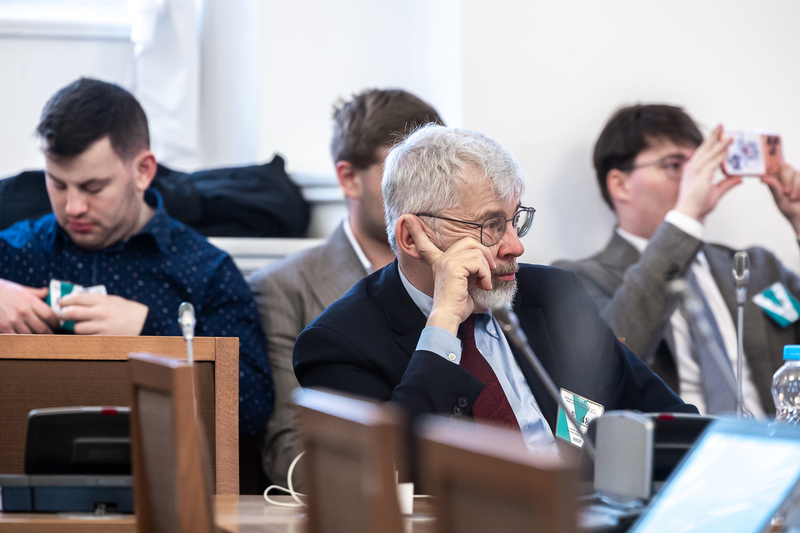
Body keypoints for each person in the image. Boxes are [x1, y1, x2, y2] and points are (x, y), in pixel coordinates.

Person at [294, 124, 694, 459]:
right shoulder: (339, 342)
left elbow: (659, 416)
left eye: (514, 220)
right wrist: (444, 323)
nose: (515, 246)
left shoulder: (551, 295)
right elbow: (389, 468)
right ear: (411, 237)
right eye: (490, 226)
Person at [0, 78, 273, 436]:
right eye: (57, 183)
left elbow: (253, 408)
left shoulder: (207, 271)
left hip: (164, 480)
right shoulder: (16, 252)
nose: (73, 206)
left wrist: (154, 334)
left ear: (143, 170)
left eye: (93, 187)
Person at [248, 89, 443, 484]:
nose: (425, 193)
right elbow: (292, 460)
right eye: (400, 173)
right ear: (349, 178)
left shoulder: (472, 277)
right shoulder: (284, 288)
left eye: (436, 176)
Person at [553, 104, 800, 416]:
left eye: (698, 164)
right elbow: (599, 380)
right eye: (673, 165)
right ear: (620, 184)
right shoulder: (576, 280)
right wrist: (684, 219)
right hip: (669, 459)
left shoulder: (758, 267)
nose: (694, 178)